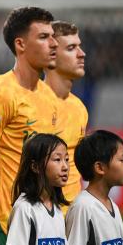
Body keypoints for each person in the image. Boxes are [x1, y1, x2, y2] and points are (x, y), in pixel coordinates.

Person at [0, 6, 60, 245]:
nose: (53, 43)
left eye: (53, 36)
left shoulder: (48, 96)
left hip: (41, 219)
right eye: (43, 37)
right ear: (20, 44)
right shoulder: (1, 92)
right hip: (5, 222)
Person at [44, 21, 89, 203]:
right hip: (39, 220)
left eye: (79, 46)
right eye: (71, 48)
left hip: (70, 218)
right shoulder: (28, 103)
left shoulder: (79, 108)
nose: (81, 54)